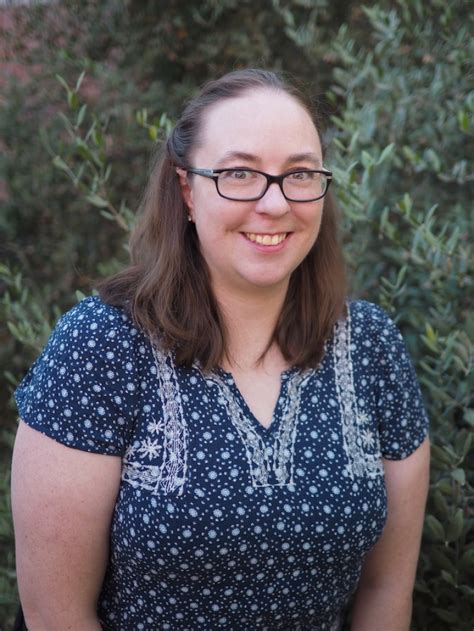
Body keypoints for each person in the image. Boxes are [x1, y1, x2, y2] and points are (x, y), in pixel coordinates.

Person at [11, 68, 430, 631]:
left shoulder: (371, 347)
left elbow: (385, 593)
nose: (275, 203)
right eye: (239, 173)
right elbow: (55, 613)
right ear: (187, 189)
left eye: (299, 174)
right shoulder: (102, 348)